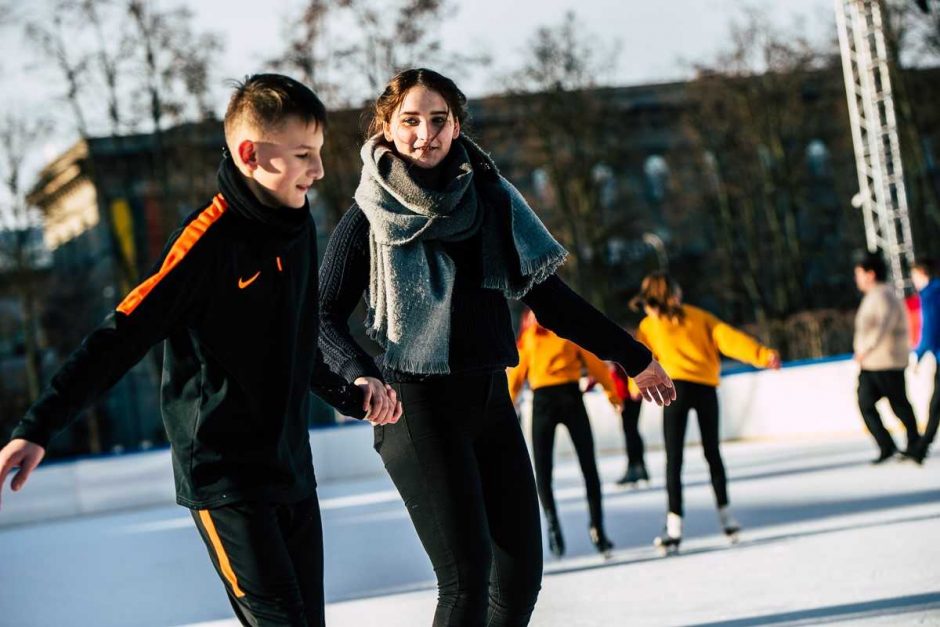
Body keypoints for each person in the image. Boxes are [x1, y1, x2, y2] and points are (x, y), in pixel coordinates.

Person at [0, 74, 401, 627]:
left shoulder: (298, 227)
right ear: (251, 155)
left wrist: (348, 394)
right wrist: (38, 425)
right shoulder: (205, 244)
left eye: (320, 153)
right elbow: (120, 336)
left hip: (290, 468)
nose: (319, 170)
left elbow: (298, 342)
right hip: (225, 478)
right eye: (305, 154)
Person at [318, 68, 675, 626]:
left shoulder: (489, 204)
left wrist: (633, 358)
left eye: (439, 120)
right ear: (387, 128)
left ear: (457, 125)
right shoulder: (368, 215)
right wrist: (359, 373)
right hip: (415, 406)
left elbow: (552, 300)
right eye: (410, 121)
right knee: (465, 580)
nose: (425, 134)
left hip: (488, 399)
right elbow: (321, 314)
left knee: (518, 577)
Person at [632, 272, 780, 555]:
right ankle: (727, 518)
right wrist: (762, 354)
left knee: (674, 458)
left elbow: (639, 356)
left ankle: (674, 527)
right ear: (672, 293)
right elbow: (729, 338)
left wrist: (633, 385)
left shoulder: (649, 325)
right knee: (712, 452)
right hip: (704, 389)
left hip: (674, 390)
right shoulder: (699, 317)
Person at [508, 309, 621, 559]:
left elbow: (595, 364)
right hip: (543, 403)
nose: (533, 317)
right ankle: (552, 526)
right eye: (530, 314)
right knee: (543, 470)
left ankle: (598, 529)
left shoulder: (567, 333)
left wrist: (613, 394)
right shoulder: (529, 339)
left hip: (570, 398)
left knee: (588, 466)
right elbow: (515, 376)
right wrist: (505, 406)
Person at [853, 252, 921, 464]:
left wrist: (865, 348)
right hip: (874, 363)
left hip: (885, 361)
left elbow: (882, 326)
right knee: (867, 403)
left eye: (859, 274)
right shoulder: (874, 296)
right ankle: (888, 445)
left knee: (898, 404)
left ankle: (913, 444)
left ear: (870, 274)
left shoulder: (882, 295)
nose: (857, 279)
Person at [610, 329, 650, 488]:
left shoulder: (620, 351)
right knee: (631, 430)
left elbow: (619, 375)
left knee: (630, 430)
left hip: (629, 397)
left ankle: (636, 467)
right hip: (626, 395)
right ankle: (638, 467)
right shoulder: (616, 351)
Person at [910, 258, 938, 464]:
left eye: (914, 276)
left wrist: (917, 354)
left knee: (936, 404)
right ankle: (921, 446)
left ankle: (921, 448)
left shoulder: (930, 295)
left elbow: (930, 331)